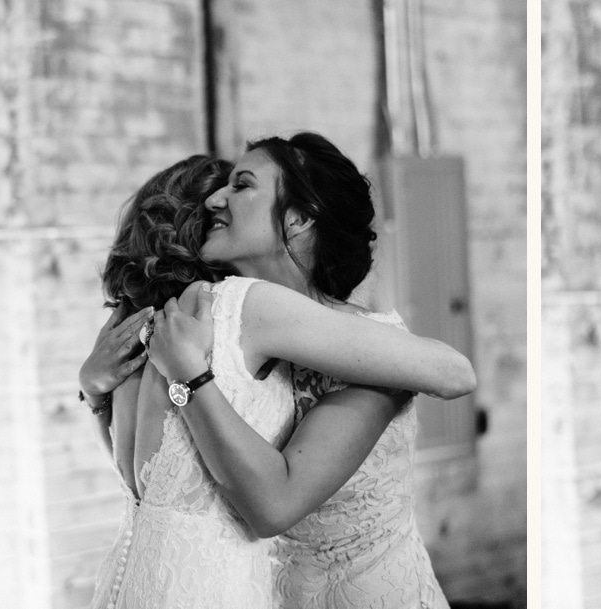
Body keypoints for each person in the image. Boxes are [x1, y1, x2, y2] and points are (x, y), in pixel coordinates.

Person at [78, 134, 474, 608]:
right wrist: (96, 392)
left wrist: (190, 379)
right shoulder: (231, 332)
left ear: (299, 217)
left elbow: (456, 373)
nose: (213, 199)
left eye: (241, 186)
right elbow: (165, 478)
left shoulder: (361, 343)